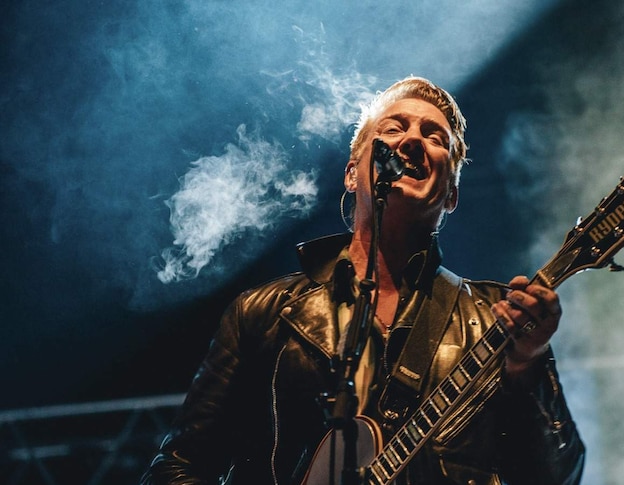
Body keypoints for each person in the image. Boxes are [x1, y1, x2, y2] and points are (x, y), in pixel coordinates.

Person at [141, 76, 585, 485]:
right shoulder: (265, 313)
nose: (412, 139)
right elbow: (179, 468)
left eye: (435, 138)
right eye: (393, 129)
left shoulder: (493, 318)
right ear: (353, 173)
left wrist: (527, 363)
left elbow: (557, 477)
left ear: (450, 194)